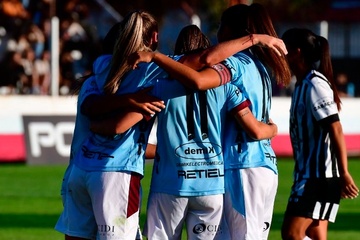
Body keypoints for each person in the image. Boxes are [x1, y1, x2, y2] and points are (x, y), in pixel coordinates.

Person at [130, 4, 292, 239]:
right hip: (259, 166)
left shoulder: (234, 65)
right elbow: (256, 127)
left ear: (229, 31)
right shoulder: (260, 68)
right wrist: (273, 129)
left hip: (240, 165)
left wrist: (156, 57)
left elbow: (199, 74)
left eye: (220, 26)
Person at [54, 13, 165, 240]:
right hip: (114, 173)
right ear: (154, 38)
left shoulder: (98, 76)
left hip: (79, 169)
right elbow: (114, 127)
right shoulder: (145, 76)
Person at [280, 28, 359, 240]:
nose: (280, 52)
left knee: (291, 233)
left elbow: (336, 128)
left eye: (283, 47)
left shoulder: (315, 84)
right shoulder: (301, 85)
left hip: (318, 178)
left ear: (296, 52)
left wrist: (343, 173)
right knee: (314, 234)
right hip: (308, 175)